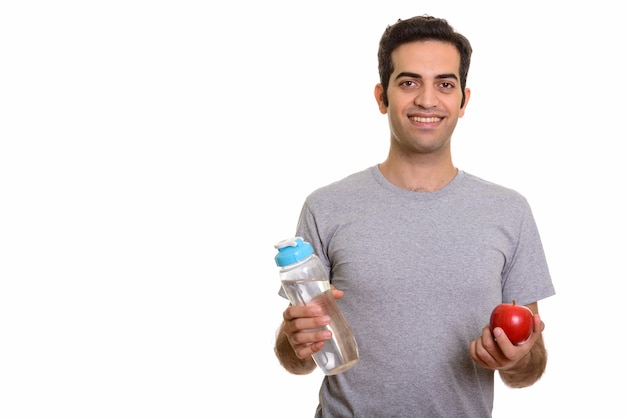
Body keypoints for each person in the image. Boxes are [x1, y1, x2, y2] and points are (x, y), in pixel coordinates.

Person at [274, 15, 555, 417]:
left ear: (463, 100)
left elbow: (529, 367)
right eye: (408, 83)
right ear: (381, 97)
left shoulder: (509, 211)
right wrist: (294, 340)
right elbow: (295, 357)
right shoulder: (327, 206)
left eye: (445, 84)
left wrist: (517, 358)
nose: (427, 100)